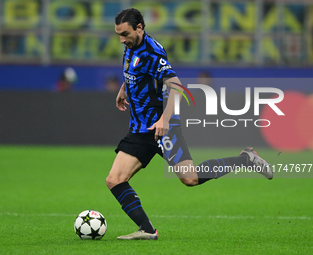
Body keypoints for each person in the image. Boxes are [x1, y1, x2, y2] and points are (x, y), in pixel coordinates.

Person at [106, 8, 272, 240]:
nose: (121, 39)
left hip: (163, 128)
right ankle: (147, 230)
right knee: (114, 180)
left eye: (124, 34)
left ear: (140, 28)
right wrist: (125, 89)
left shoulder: (153, 53)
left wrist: (164, 119)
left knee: (190, 179)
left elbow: (176, 86)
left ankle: (246, 158)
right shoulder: (131, 45)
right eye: (118, 35)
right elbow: (133, 70)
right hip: (140, 130)